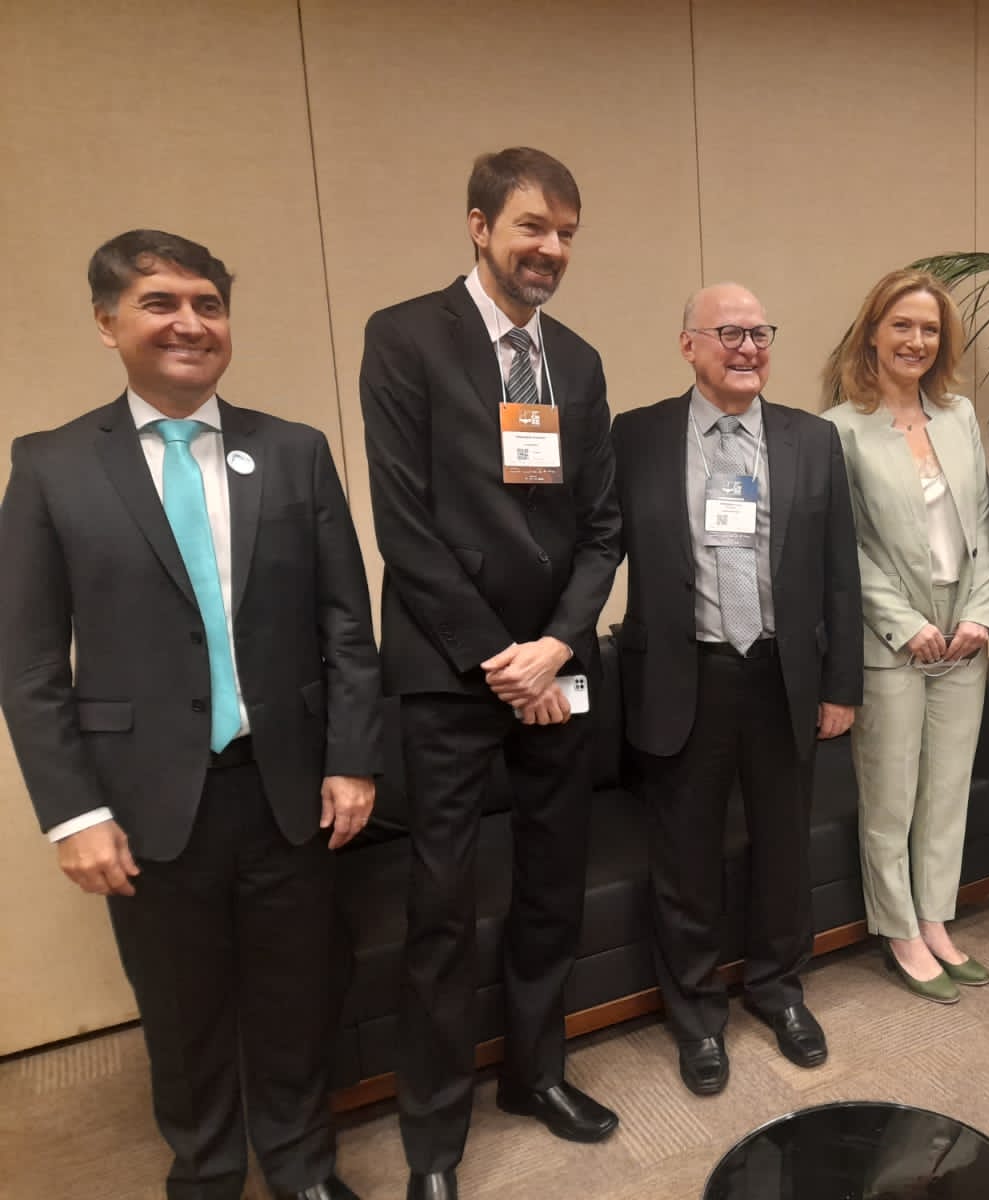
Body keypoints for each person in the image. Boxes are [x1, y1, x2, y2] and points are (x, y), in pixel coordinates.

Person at [0, 229, 382, 1200]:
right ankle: (206, 1170)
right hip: (145, 798)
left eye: (208, 304)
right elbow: (29, 660)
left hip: (286, 786)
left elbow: (346, 623)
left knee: (298, 997)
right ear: (107, 324)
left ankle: (301, 1166)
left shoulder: (293, 452)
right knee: (181, 1010)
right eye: (160, 302)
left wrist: (353, 757)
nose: (189, 323)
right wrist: (72, 812)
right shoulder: (50, 466)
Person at [359, 148, 622, 1200]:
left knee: (553, 885)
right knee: (441, 903)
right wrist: (495, 656)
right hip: (449, 669)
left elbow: (601, 528)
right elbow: (403, 526)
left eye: (566, 233)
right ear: (478, 226)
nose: (550, 249)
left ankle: (535, 1074)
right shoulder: (405, 337)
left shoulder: (580, 362)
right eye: (531, 227)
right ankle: (433, 1137)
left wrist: (556, 644)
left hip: (557, 667)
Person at [610, 283, 862, 1096]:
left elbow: (840, 573)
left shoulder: (812, 439)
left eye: (760, 333)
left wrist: (841, 684)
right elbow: (595, 545)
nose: (748, 347)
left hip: (784, 676)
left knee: (784, 849)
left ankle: (779, 990)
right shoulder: (636, 436)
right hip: (684, 674)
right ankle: (695, 1014)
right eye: (729, 333)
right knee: (684, 858)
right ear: (689, 344)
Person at [820, 269, 989, 1004]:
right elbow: (843, 548)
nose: (916, 341)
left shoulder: (959, 415)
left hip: (964, 630)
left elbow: (981, 521)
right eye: (902, 326)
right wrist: (905, 622)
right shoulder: (839, 428)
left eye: (929, 329)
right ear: (872, 333)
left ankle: (935, 918)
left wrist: (980, 611)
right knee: (891, 796)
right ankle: (898, 929)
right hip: (890, 633)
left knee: (947, 791)